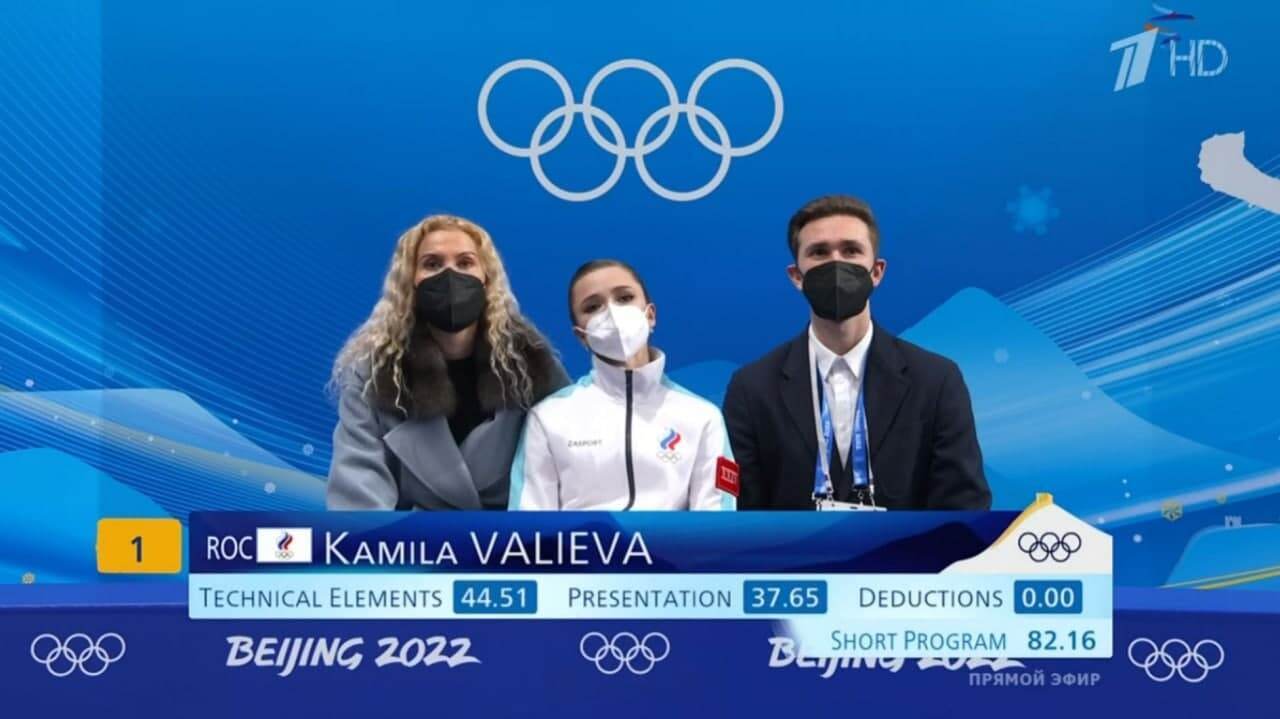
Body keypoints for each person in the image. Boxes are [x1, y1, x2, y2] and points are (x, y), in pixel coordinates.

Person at [723, 195, 990, 510]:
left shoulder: (937, 381)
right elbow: (740, 516)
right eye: (819, 252)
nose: (836, 263)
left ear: (877, 271)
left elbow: (964, 507)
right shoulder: (752, 389)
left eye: (851, 250)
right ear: (796, 276)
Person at [327, 214, 569, 510]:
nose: (450, 276)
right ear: (410, 282)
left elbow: (574, 468)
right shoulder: (371, 376)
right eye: (432, 264)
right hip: (411, 538)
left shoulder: (533, 367)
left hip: (516, 537)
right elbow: (358, 497)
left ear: (486, 279)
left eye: (465, 263)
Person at [509, 259, 737, 511]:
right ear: (581, 336)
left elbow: (716, 521)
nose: (612, 313)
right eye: (593, 307)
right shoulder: (547, 418)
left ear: (650, 315)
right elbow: (529, 522)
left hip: (672, 539)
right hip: (580, 539)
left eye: (625, 298)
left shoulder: (702, 418)